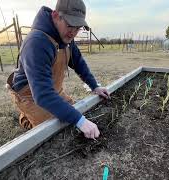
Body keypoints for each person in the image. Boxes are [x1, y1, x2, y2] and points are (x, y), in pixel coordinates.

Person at [6, 0, 110, 139]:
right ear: (56, 16)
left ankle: (40, 112)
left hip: (52, 90)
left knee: (68, 115)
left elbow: (78, 62)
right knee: (51, 131)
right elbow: (42, 95)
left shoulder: (66, 37)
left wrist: (94, 86)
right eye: (70, 25)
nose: (73, 32)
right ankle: (26, 117)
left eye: (78, 27)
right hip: (30, 94)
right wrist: (81, 121)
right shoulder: (36, 42)